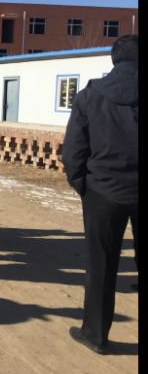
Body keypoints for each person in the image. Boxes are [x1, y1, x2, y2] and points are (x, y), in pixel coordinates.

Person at [62, 34, 138, 355]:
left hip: (103, 191)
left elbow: (73, 150)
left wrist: (83, 186)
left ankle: (96, 335)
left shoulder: (90, 95)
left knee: (101, 265)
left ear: (114, 59)